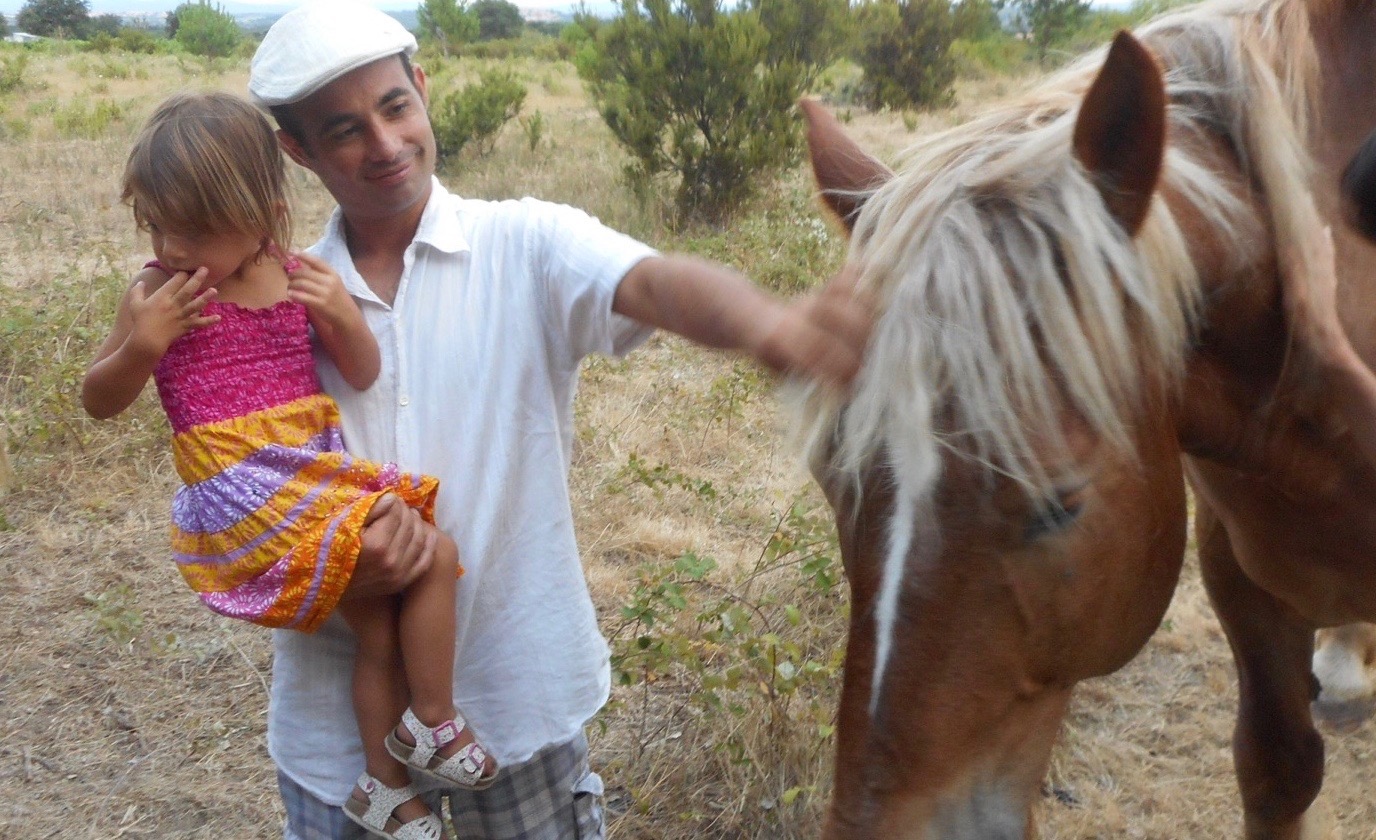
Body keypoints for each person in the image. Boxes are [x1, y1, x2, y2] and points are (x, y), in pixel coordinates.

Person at [247, 3, 873, 838]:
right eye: (345, 130)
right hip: (339, 749)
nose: (386, 143)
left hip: (517, 713)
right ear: (298, 150)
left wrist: (771, 325)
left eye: (395, 107)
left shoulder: (526, 244)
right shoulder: (269, 304)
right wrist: (327, 571)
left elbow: (651, 283)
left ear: (423, 89)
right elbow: (232, 486)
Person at [80, 91, 498, 840]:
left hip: (310, 477)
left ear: (264, 215)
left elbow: (362, 371)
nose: (170, 247)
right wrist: (143, 344)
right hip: (243, 492)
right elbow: (97, 400)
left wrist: (338, 311)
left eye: (192, 230)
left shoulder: (292, 275)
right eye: (155, 225)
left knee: (396, 608)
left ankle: (385, 782)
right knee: (423, 550)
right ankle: (432, 722)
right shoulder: (154, 293)